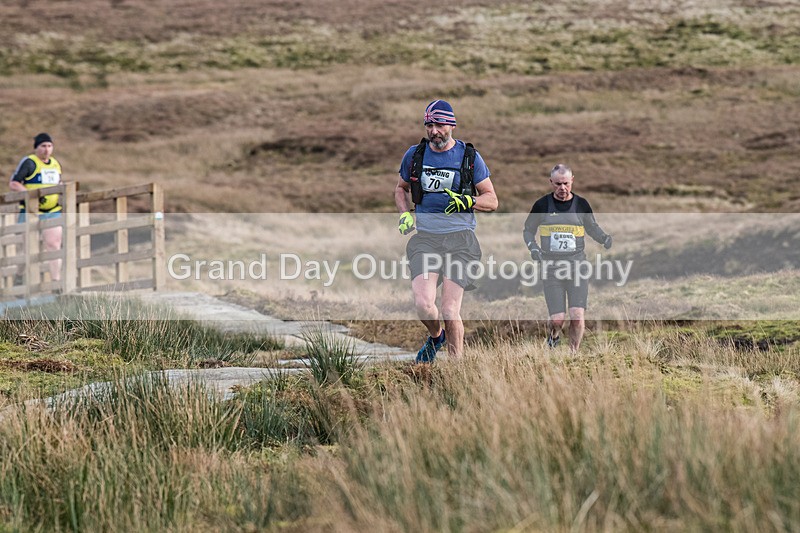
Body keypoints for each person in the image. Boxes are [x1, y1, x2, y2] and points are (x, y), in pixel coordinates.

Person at [395, 100, 498, 362]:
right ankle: (436, 336)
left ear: (451, 125)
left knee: (450, 309)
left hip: (460, 241)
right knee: (423, 304)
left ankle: (457, 367)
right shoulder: (415, 155)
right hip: (426, 240)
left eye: (439, 125)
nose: (434, 131)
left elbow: (492, 199)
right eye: (429, 125)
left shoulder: (469, 157)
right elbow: (401, 188)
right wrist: (405, 214)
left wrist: (469, 201)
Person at [522, 163, 612, 352]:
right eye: (557, 184)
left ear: (572, 180)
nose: (562, 188)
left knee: (577, 315)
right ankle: (554, 336)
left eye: (565, 183)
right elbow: (528, 231)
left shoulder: (581, 204)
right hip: (551, 269)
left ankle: (573, 354)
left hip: (577, 268)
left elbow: (591, 227)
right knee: (557, 319)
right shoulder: (542, 205)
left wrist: (604, 238)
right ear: (551, 183)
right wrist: (533, 248)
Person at [9, 132, 64, 282]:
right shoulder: (29, 162)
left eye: (49, 146)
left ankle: (56, 284)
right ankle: (20, 276)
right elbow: (14, 183)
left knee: (54, 245)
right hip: (30, 211)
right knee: (28, 249)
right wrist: (31, 195)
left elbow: (59, 183)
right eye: (43, 146)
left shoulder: (55, 164)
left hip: (52, 211)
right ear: (36, 148)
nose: (46, 150)